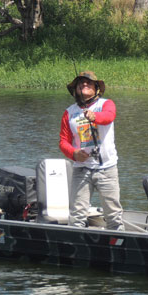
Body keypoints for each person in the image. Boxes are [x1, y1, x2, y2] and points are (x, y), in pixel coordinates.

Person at [59, 70, 124, 231]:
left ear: (96, 89)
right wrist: (74, 153)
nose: (85, 84)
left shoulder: (106, 104)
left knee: (113, 215)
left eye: (89, 83)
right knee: (77, 215)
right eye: (81, 83)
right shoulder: (69, 113)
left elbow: (109, 116)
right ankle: (76, 247)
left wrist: (95, 116)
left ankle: (119, 244)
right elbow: (63, 141)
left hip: (107, 168)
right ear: (76, 90)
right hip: (82, 170)